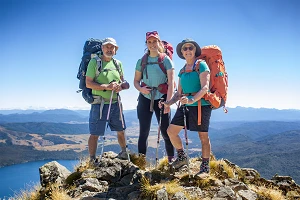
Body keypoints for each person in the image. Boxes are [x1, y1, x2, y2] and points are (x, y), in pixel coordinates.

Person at [162, 38, 212, 176]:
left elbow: (205, 88)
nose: (188, 50)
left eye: (191, 48)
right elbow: (178, 93)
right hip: (185, 104)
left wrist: (191, 100)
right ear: (182, 52)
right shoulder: (182, 70)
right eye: (185, 48)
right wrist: (168, 103)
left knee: (203, 137)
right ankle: (182, 157)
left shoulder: (202, 65)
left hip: (201, 105)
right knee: (171, 131)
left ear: (195, 50)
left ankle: (205, 167)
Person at [86, 37, 129, 162]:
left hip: (115, 102)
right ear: (102, 48)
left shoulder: (117, 64)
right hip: (99, 103)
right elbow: (88, 83)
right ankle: (92, 159)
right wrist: (107, 87)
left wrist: (121, 86)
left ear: (116, 50)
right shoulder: (95, 62)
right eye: (107, 47)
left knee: (121, 130)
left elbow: (122, 81)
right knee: (95, 133)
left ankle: (124, 153)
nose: (109, 49)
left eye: (112, 47)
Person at [133, 31, 175, 163]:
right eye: (149, 42)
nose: (152, 44)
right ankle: (141, 163)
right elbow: (136, 81)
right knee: (143, 132)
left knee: (166, 132)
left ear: (159, 42)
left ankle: (171, 161)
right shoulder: (141, 61)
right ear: (146, 44)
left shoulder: (166, 60)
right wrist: (141, 89)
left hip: (162, 99)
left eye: (154, 41)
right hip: (145, 98)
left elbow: (171, 83)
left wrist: (168, 103)